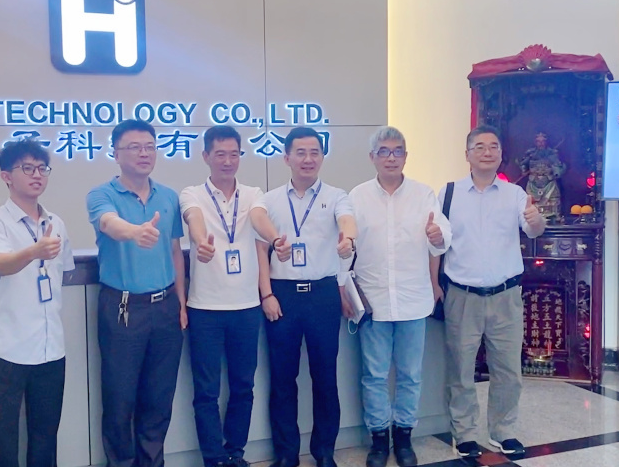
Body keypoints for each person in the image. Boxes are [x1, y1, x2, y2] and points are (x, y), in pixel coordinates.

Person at [179, 126, 292, 467]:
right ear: (206, 156)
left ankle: (235, 453)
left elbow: (259, 219)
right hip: (205, 309)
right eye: (220, 154)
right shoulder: (192, 193)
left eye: (234, 154)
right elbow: (194, 218)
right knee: (206, 392)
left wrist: (275, 239)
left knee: (243, 387)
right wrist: (201, 241)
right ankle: (214, 458)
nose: (228, 161)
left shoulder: (253, 194)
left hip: (246, 308)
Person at [437, 126, 545, 459]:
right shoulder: (448, 193)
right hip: (462, 295)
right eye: (480, 146)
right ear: (467, 154)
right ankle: (465, 433)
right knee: (460, 369)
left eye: (493, 146)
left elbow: (533, 230)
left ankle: (503, 431)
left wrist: (536, 219)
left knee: (508, 369)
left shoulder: (515, 194)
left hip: (506, 296)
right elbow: (437, 242)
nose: (487, 152)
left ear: (500, 154)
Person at [347, 127, 450, 467]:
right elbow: (345, 249)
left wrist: (437, 235)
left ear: (406, 156)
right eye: (384, 151)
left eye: (397, 151)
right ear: (372, 157)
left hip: (413, 299)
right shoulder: (357, 197)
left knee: (410, 375)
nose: (391, 157)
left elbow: (442, 237)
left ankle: (404, 437)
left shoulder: (423, 194)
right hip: (373, 302)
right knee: (374, 375)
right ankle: (379, 439)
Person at [87, 119, 188, 467]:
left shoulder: (168, 196)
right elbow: (108, 223)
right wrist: (135, 232)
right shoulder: (101, 195)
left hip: (166, 307)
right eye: (134, 147)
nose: (144, 153)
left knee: (159, 399)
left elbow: (175, 251)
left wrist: (181, 302)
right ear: (116, 154)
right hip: (123, 308)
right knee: (120, 399)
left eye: (149, 147)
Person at [258, 127, 357, 467]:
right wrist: (267, 294)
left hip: (322, 294)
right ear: (286, 157)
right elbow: (260, 249)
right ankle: (286, 454)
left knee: (325, 377)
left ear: (322, 157)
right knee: (282, 379)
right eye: (300, 152)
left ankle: (324, 451)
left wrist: (348, 239)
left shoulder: (336, 195)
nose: (308, 159)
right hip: (283, 295)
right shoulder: (269, 200)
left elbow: (348, 222)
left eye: (314, 152)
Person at [0, 139, 74, 467]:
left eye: (42, 168)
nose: (37, 175)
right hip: (7, 346)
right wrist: (34, 251)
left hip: (50, 346)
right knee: (1, 442)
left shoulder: (56, 223)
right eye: (27, 168)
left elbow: (64, 272)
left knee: (45, 438)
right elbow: (0, 264)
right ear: (6, 176)